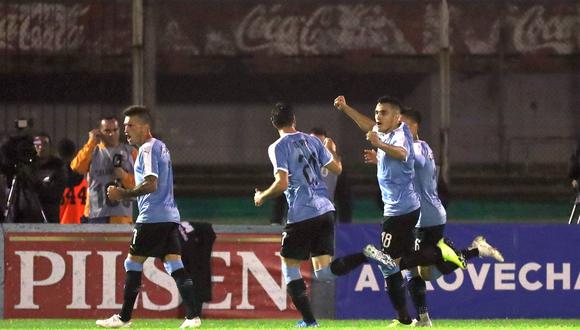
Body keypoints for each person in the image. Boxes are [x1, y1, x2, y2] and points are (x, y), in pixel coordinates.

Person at [364, 109, 504, 326]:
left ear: (415, 127)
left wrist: (382, 149)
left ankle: (454, 252)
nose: (401, 130)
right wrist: (381, 158)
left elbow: (407, 158)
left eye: (405, 125)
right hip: (419, 215)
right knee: (419, 272)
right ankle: (424, 318)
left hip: (426, 217)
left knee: (416, 269)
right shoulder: (420, 147)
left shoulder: (418, 148)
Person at [333, 95, 463, 327]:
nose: (378, 117)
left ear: (397, 117)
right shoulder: (390, 134)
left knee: (389, 265)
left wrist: (380, 146)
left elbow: (403, 154)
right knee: (408, 269)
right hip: (405, 209)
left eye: (383, 112)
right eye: (377, 112)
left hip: (400, 211)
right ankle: (419, 316)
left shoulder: (403, 136)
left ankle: (404, 313)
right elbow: (369, 127)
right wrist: (345, 108)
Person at [254, 103, 375, 328]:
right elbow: (338, 168)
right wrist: (330, 150)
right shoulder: (314, 141)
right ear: (294, 120)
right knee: (324, 273)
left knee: (290, 268)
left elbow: (282, 183)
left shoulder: (277, 146)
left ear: (274, 124)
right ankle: (365, 255)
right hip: (326, 210)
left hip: (302, 213)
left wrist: (262, 196)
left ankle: (310, 322)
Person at [96, 106, 201, 329]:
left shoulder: (146, 149)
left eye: (130, 125)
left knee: (132, 263)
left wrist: (122, 193)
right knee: (175, 265)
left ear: (144, 127)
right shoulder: (161, 147)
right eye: (125, 125)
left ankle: (124, 318)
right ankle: (193, 316)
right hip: (170, 216)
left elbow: (151, 184)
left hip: (152, 218)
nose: (126, 130)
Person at [71, 116, 137, 224]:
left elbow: (140, 185)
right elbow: (77, 167)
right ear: (99, 132)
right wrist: (91, 142)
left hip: (121, 215)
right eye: (107, 131)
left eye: (115, 130)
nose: (112, 134)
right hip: (95, 214)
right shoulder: (92, 151)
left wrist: (124, 176)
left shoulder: (131, 152)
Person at [33, 133, 67, 223]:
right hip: (29, 215)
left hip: (51, 215)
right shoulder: (28, 166)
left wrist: (35, 185)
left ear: (50, 147)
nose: (41, 147)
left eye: (44, 144)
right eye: (37, 144)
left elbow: (56, 192)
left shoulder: (58, 166)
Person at [57, 138, 88, 224]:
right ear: (75, 153)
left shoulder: (55, 179)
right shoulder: (86, 178)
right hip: (82, 227)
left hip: (60, 227)